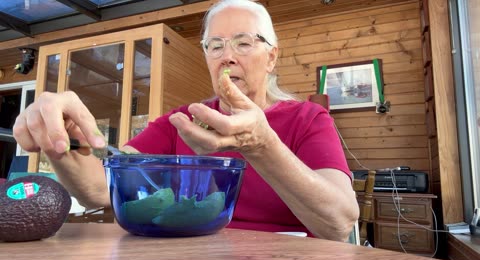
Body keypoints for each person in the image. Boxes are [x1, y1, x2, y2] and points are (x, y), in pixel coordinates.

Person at [12, 0, 359, 241]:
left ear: (271, 57)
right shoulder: (182, 121)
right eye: (216, 46)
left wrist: (261, 144)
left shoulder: (307, 118)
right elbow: (98, 190)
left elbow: (338, 223)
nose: (228, 57)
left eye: (243, 43)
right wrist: (61, 143)